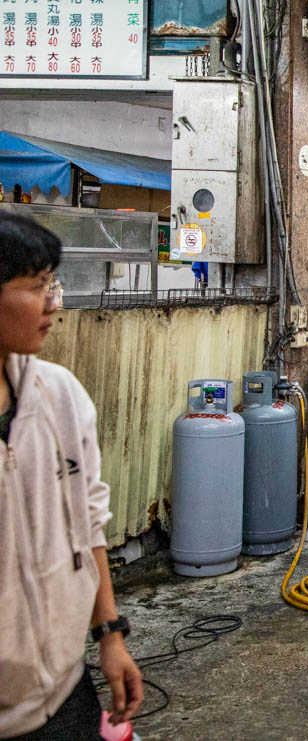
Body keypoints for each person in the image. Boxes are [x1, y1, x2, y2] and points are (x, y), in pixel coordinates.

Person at [0, 213, 144, 739]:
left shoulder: (59, 395)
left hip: (66, 690)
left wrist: (110, 636)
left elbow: (88, 522)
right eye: (36, 286)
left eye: (52, 285)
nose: (52, 303)